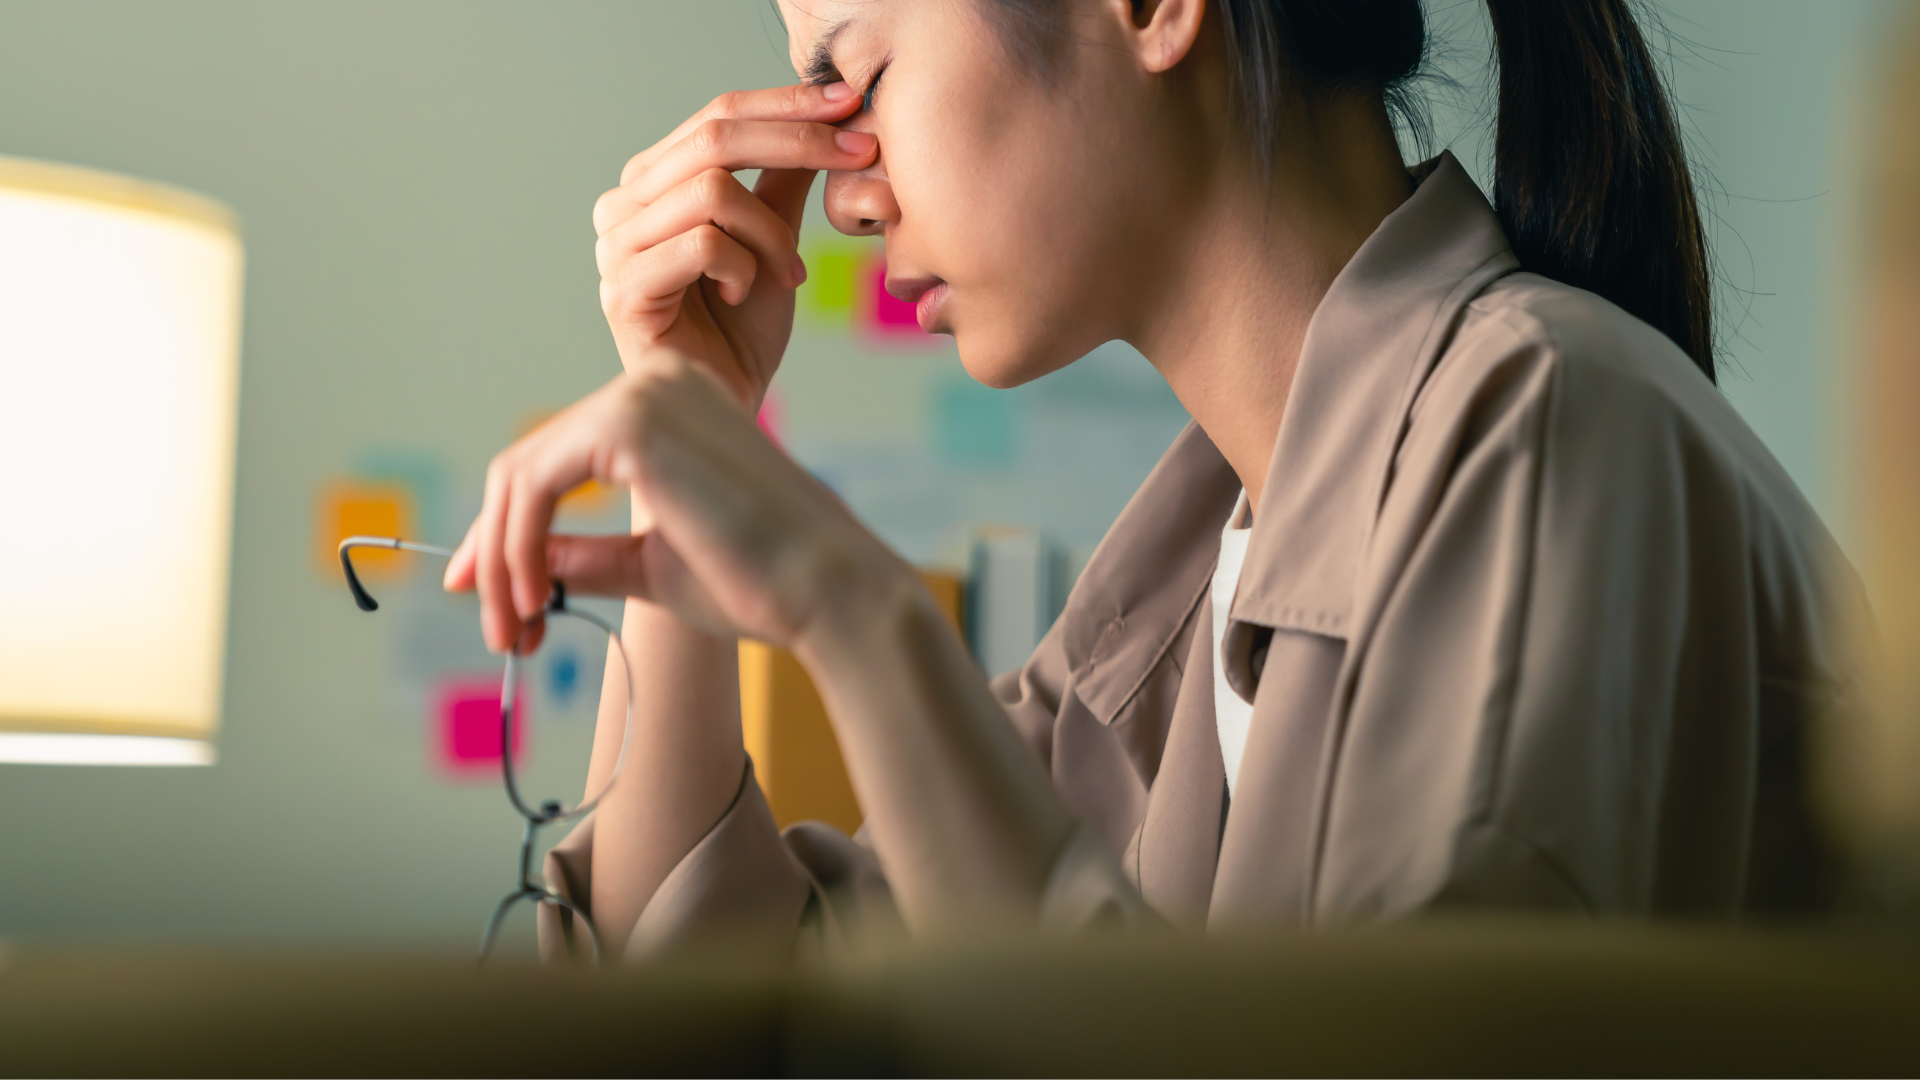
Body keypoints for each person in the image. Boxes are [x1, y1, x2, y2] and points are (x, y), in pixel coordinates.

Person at [442, 0, 1866, 961]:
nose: (847, 191)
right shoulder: (1175, 604)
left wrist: (858, 614)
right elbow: (731, 999)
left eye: (859, 82)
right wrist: (689, 420)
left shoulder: (1543, 419)